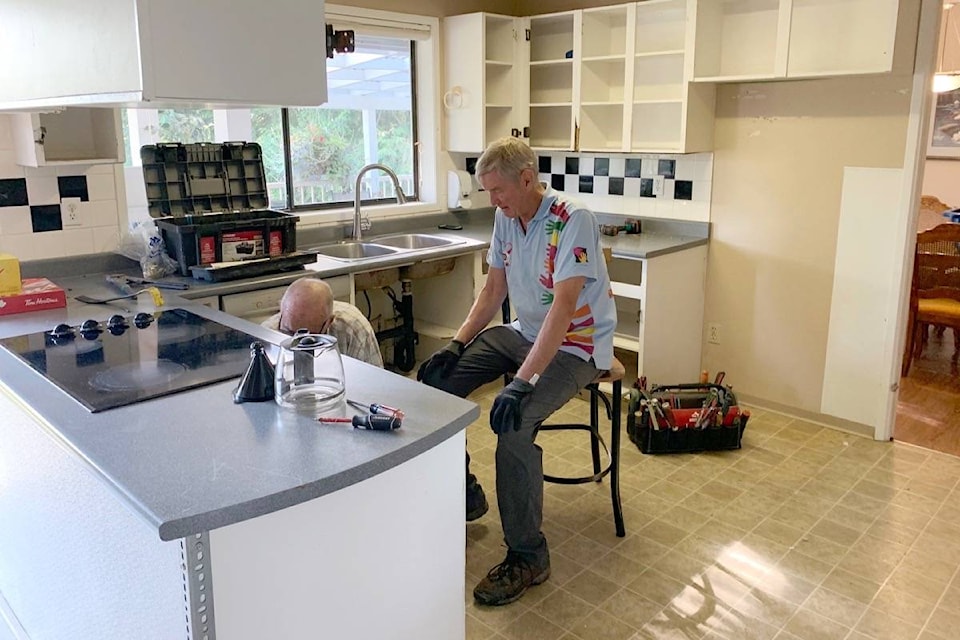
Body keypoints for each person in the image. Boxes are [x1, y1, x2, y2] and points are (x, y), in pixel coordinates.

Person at [417, 137, 617, 606]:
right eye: (487, 192)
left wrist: (522, 382)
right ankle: (464, 490)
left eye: (497, 190)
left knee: (513, 422)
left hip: (577, 347)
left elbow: (564, 309)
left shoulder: (573, 221)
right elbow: (492, 291)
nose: (493, 201)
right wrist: (456, 343)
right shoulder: (507, 220)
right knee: (434, 384)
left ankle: (529, 555)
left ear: (527, 179)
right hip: (524, 332)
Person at [262, 278, 384, 368]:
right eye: (288, 332)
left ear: (329, 322)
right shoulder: (266, 336)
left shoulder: (353, 328)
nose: (297, 344)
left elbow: (376, 384)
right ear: (281, 310)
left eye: (308, 338)